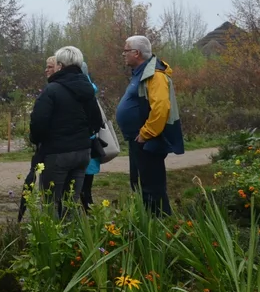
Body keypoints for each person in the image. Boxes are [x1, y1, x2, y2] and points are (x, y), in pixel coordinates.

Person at [29, 46, 100, 217]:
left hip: (57, 153)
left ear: (60, 65)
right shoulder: (88, 89)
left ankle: (52, 241)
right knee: (71, 202)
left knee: (51, 203)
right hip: (82, 152)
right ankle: (72, 240)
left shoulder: (52, 89)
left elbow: (38, 123)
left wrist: (38, 140)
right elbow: (96, 121)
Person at [117, 35, 184, 215]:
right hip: (138, 140)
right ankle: (147, 224)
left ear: (136, 53)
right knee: (139, 184)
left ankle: (161, 227)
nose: (123, 54)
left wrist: (146, 133)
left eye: (126, 50)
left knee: (152, 188)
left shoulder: (155, 75)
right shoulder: (141, 73)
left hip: (148, 141)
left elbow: (161, 108)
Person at [18, 56, 60, 221]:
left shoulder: (53, 91)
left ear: (58, 68)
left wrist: (36, 137)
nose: (46, 70)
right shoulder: (50, 89)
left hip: (53, 148)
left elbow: (40, 121)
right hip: (51, 146)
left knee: (52, 192)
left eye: (49, 67)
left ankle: (50, 224)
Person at [78, 62, 112, 212]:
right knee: (86, 187)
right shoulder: (90, 90)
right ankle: (89, 217)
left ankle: (89, 219)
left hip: (87, 144)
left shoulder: (83, 93)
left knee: (83, 189)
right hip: (92, 144)